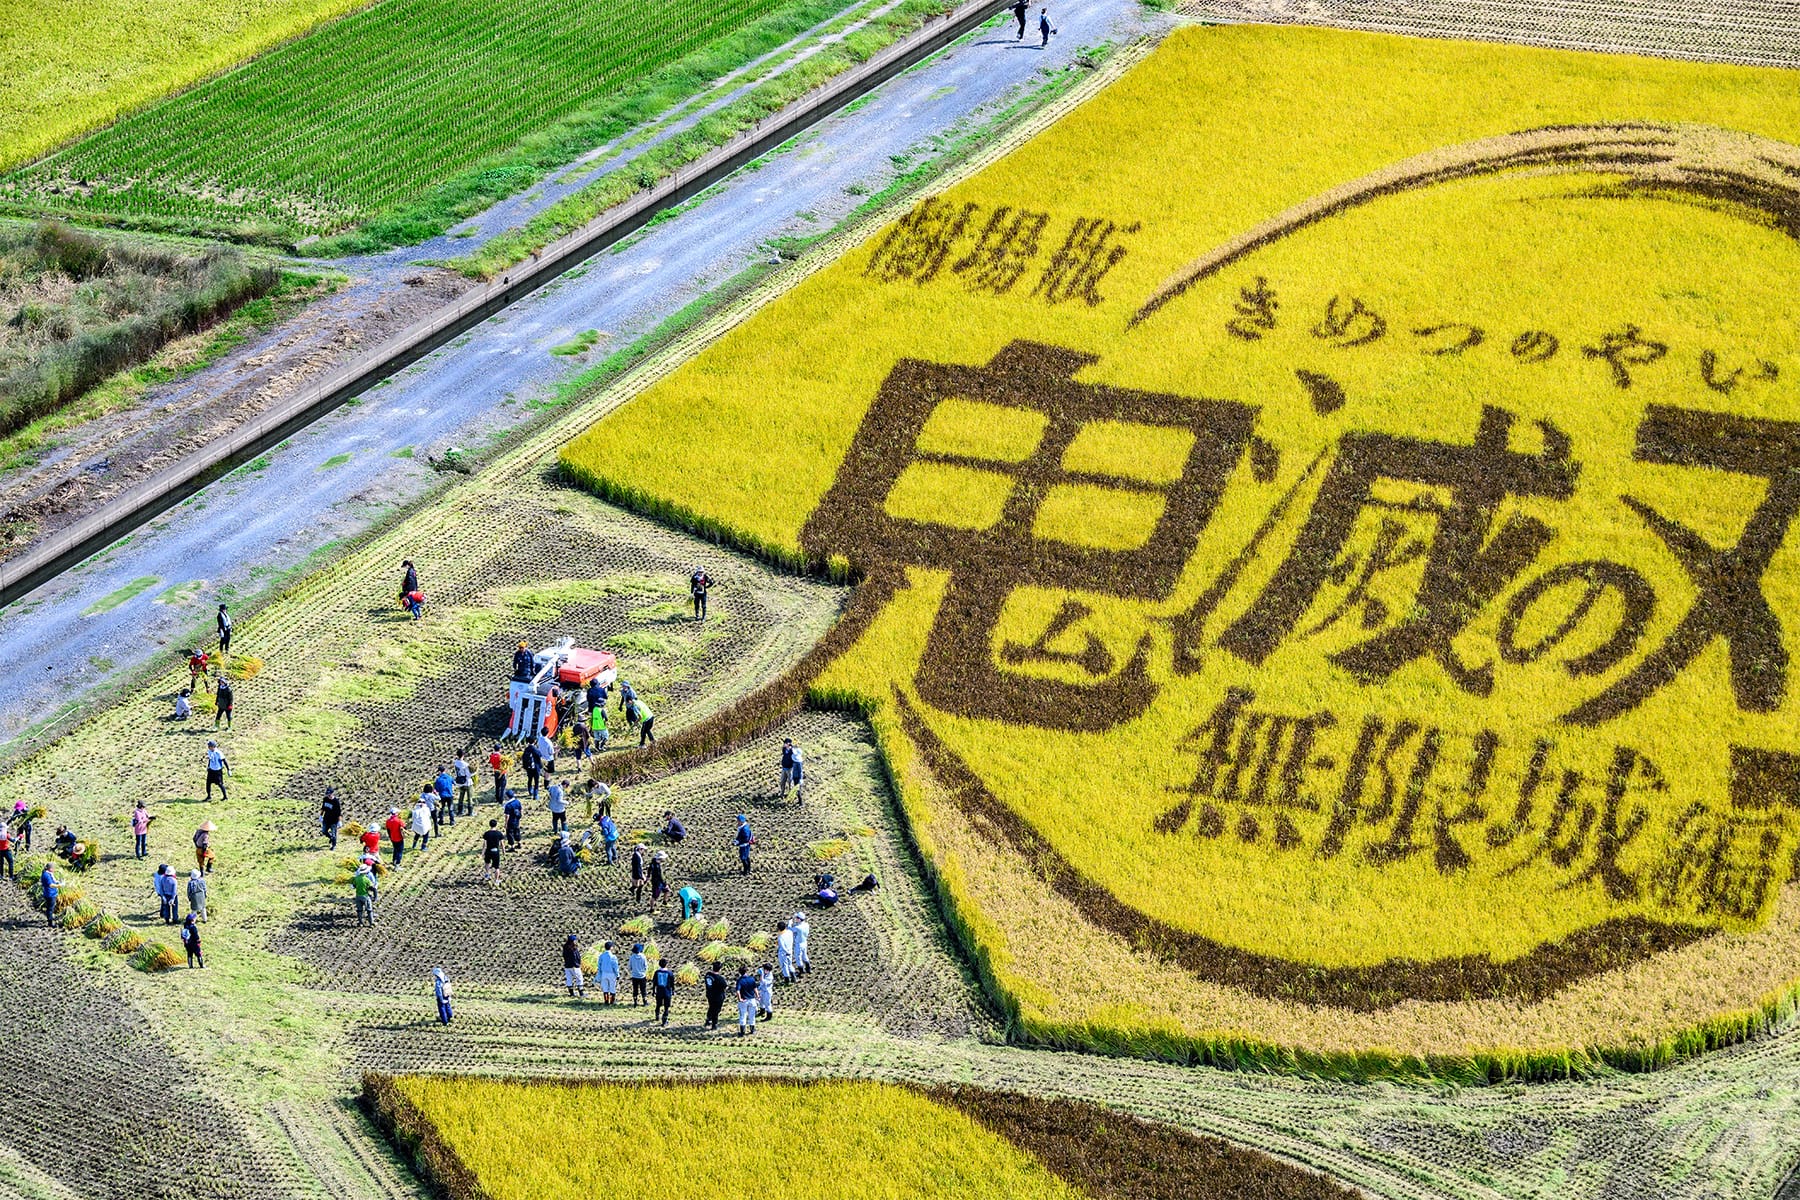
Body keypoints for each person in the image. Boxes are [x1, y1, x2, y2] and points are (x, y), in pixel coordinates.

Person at [735, 966, 759, 1036]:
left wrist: (739, 999)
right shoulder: (751, 979)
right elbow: (755, 989)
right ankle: (752, 1030)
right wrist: (757, 996)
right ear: (746, 971)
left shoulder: (740, 981)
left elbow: (738, 991)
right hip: (752, 999)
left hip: (744, 1000)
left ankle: (742, 1032)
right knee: (752, 1016)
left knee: (743, 1016)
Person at [703, 964, 728, 1029]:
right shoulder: (720, 978)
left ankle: (708, 1019)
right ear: (720, 969)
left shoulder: (708, 975)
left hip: (709, 994)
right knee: (716, 1010)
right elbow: (725, 986)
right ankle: (714, 1024)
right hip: (718, 996)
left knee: (711, 1007)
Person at [652, 959, 676, 1025]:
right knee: (666, 1006)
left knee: (658, 1004)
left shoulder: (657, 972)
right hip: (667, 992)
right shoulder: (669, 973)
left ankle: (657, 1016)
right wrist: (673, 990)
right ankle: (664, 1020)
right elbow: (672, 983)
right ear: (666, 964)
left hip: (659, 991)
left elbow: (654, 982)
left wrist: (653, 991)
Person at [481, 819, 504, 883]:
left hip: (488, 851)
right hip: (496, 851)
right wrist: (503, 851)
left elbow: (484, 844)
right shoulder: (499, 833)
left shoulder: (487, 833)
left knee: (487, 863)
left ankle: (487, 874)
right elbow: (502, 844)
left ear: (489, 825)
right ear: (496, 825)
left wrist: (482, 852)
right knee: (497, 867)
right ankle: (496, 880)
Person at [39, 861, 59, 926]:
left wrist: (57, 882)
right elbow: (50, 885)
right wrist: (60, 885)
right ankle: (50, 922)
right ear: (50, 868)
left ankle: (49, 918)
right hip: (50, 894)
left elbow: (52, 881)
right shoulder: (46, 875)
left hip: (49, 893)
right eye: (53, 868)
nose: (54, 870)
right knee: (50, 908)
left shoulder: (47, 873)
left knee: (50, 907)